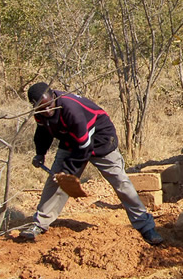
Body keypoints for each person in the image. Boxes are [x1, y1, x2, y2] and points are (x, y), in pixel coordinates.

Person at [21, 82, 163, 245]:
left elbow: (84, 148)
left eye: (48, 106)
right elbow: (43, 132)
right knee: (54, 184)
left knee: (120, 182)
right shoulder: (41, 111)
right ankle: (40, 224)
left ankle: (145, 226)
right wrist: (40, 153)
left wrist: (67, 174)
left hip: (100, 141)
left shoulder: (71, 110)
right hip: (71, 141)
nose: (47, 111)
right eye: (41, 107)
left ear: (54, 96)